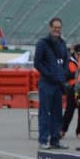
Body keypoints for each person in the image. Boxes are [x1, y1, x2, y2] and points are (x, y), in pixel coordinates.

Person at [33, 17, 72, 150]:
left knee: (57, 113)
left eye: (59, 27)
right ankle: (43, 140)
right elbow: (37, 62)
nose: (57, 29)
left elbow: (66, 60)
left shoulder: (62, 43)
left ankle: (55, 140)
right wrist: (49, 74)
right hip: (46, 83)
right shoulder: (42, 43)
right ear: (50, 28)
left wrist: (64, 74)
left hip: (58, 84)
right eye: (55, 27)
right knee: (45, 112)